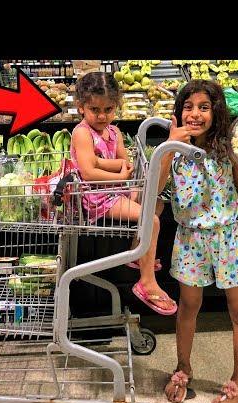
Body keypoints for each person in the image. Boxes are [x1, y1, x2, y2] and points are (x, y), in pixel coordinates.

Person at [158, 79, 238, 403]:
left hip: (231, 237)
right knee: (187, 307)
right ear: (178, 113)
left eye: (204, 107)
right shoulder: (170, 152)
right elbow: (151, 195)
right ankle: (184, 368)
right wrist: (167, 148)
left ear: (215, 111)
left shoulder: (228, 148)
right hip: (190, 238)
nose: (195, 114)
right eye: (188, 107)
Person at [69, 72, 177, 315]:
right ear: (81, 107)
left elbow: (124, 162)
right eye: (94, 109)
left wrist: (112, 168)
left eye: (108, 109)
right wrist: (118, 174)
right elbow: (87, 173)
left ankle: (138, 253)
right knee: (152, 220)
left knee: (156, 202)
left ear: (116, 106)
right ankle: (147, 282)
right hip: (95, 197)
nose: (102, 115)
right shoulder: (82, 133)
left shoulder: (115, 132)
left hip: (114, 190)